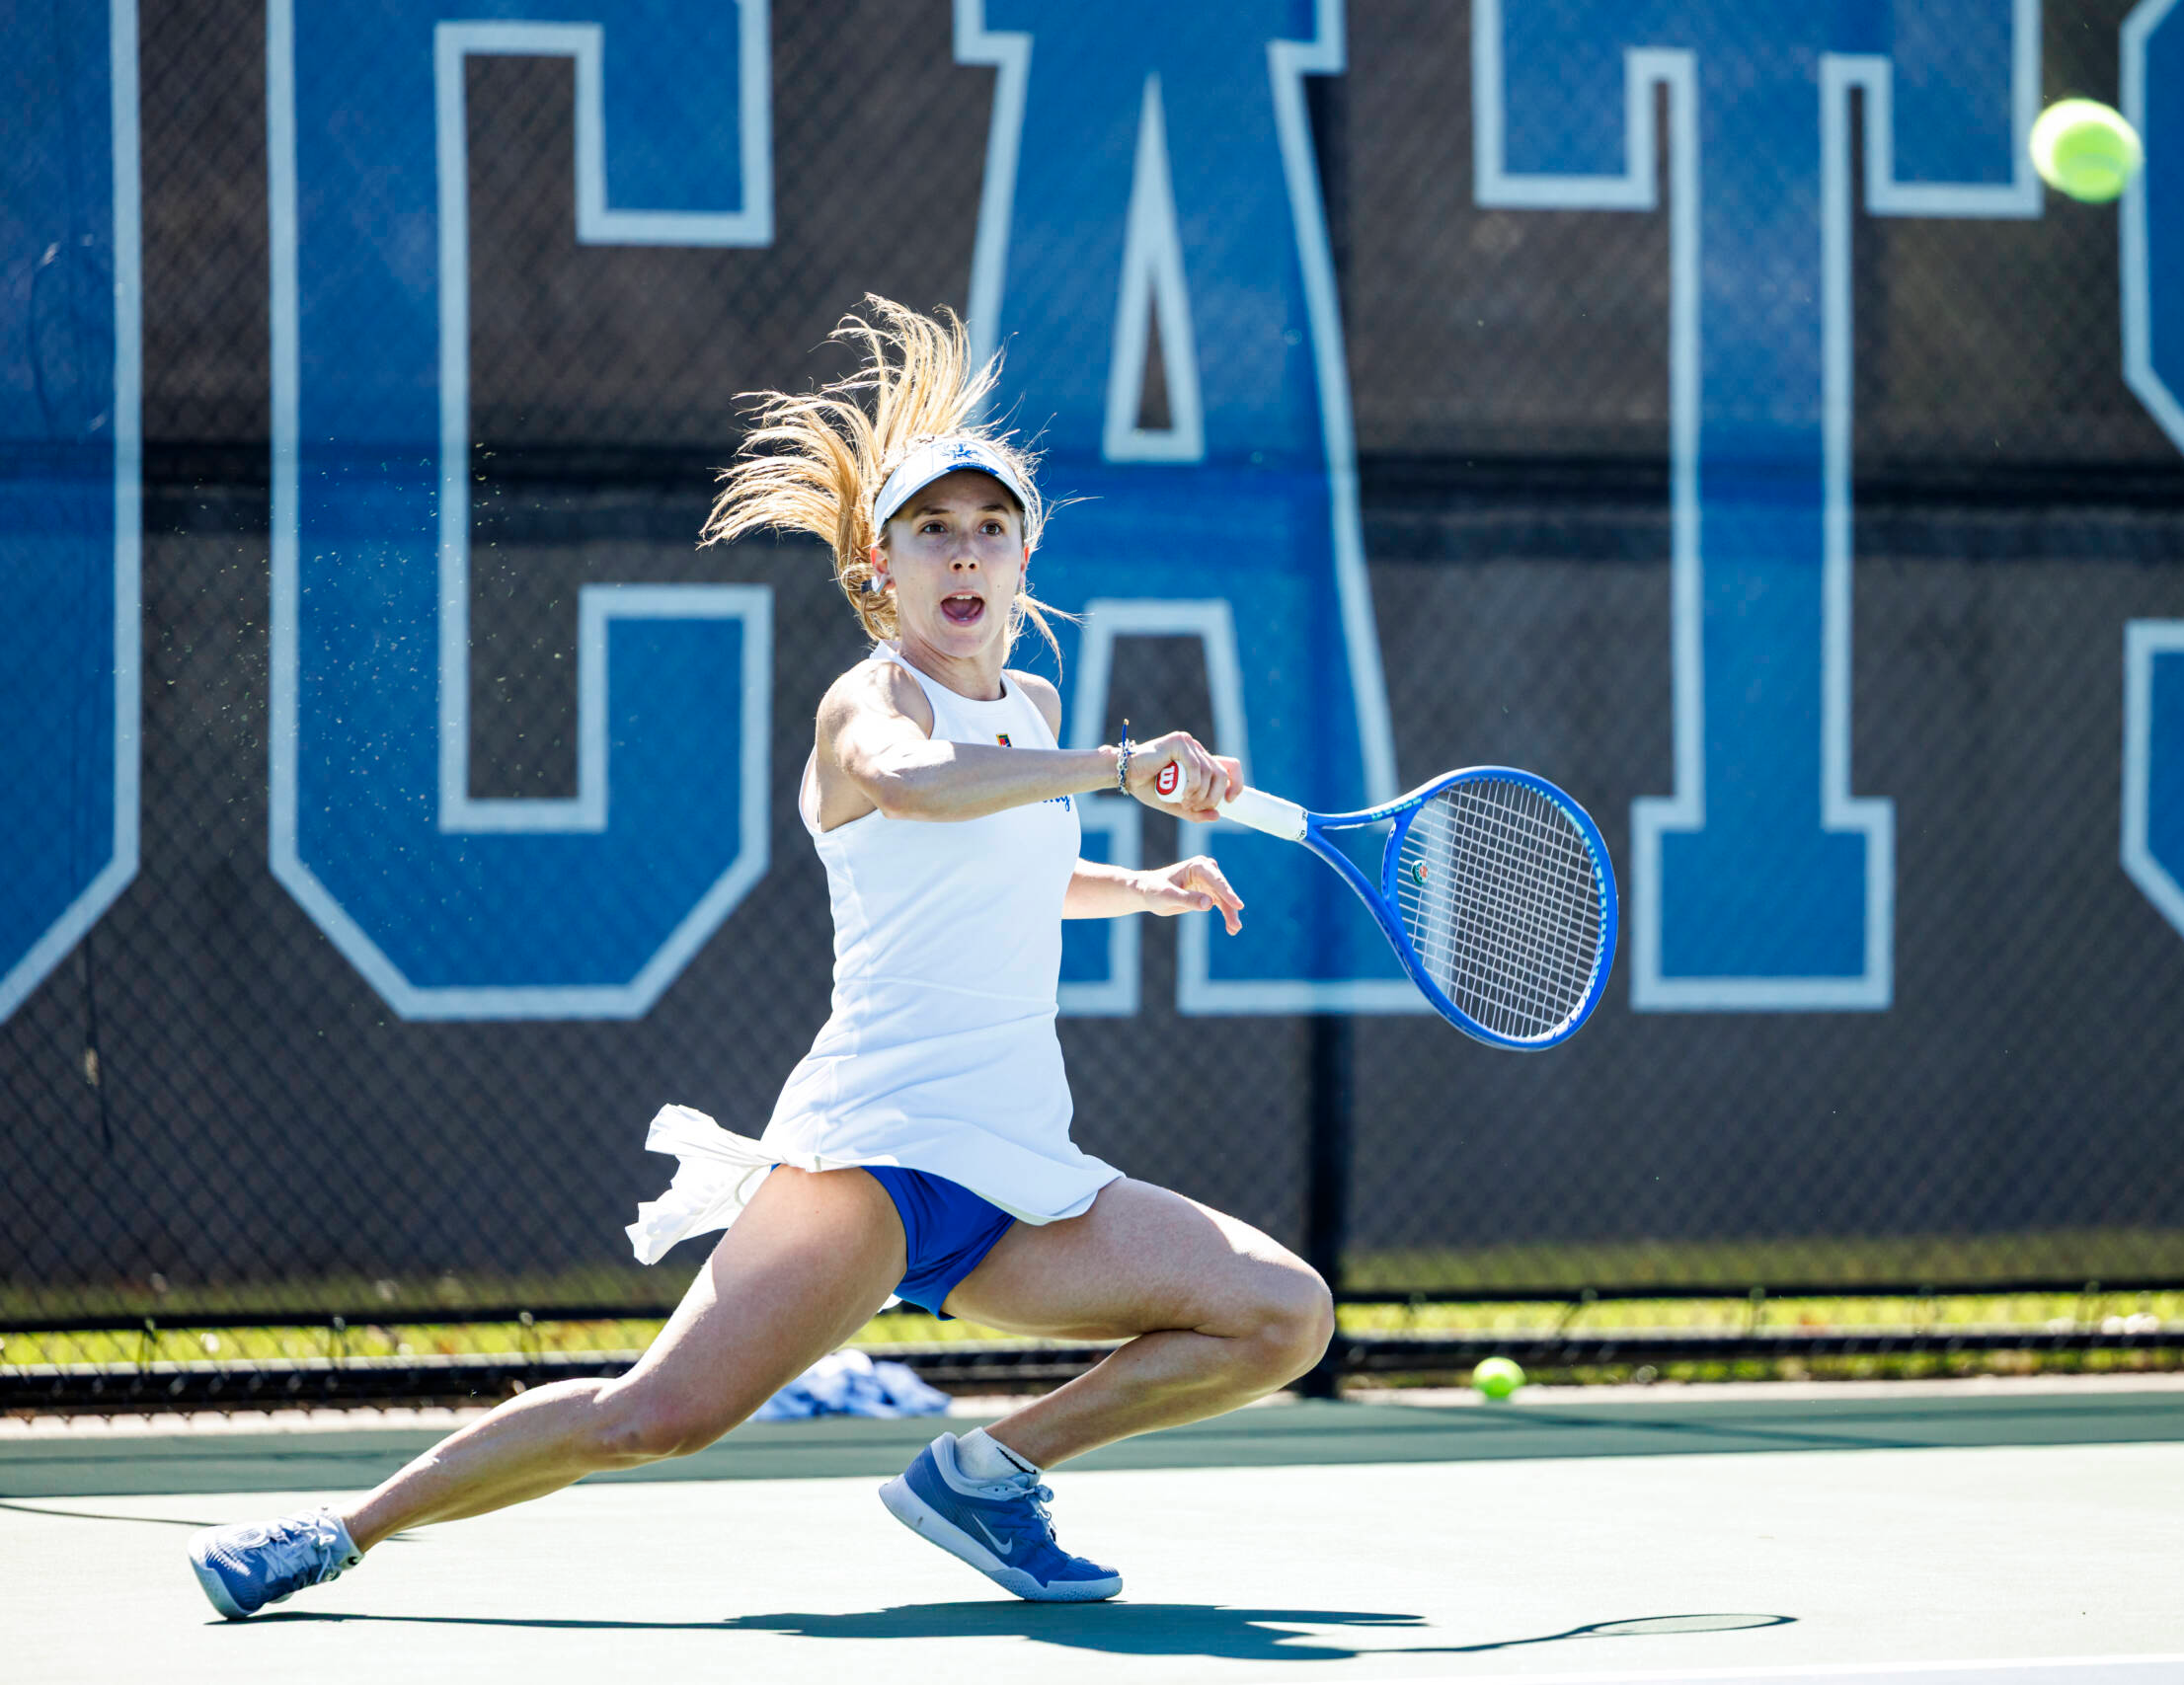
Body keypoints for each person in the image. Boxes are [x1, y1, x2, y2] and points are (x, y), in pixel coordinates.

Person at [187, 299, 1335, 1618]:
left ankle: (988, 1472)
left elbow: (993, 871)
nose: (963, 551)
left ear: (1025, 557)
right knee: (654, 1417)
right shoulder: (871, 700)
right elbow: (914, 789)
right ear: (880, 567)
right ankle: (340, 1529)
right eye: (932, 530)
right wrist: (1122, 768)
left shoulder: (1031, 707)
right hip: (876, 1156)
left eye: (989, 527)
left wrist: (1136, 885)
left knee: (1282, 1315)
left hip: (1018, 1168)